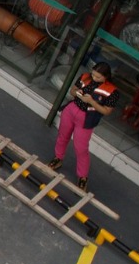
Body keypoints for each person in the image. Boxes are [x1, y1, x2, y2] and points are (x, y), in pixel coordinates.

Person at [47, 61, 119, 191]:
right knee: (63, 136)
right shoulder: (85, 77)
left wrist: (91, 101)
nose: (94, 78)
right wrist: (78, 93)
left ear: (106, 77)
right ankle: (58, 158)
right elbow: (73, 90)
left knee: (81, 147)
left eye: (98, 77)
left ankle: (83, 176)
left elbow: (107, 111)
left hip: (87, 117)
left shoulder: (112, 91)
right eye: (93, 75)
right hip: (72, 109)